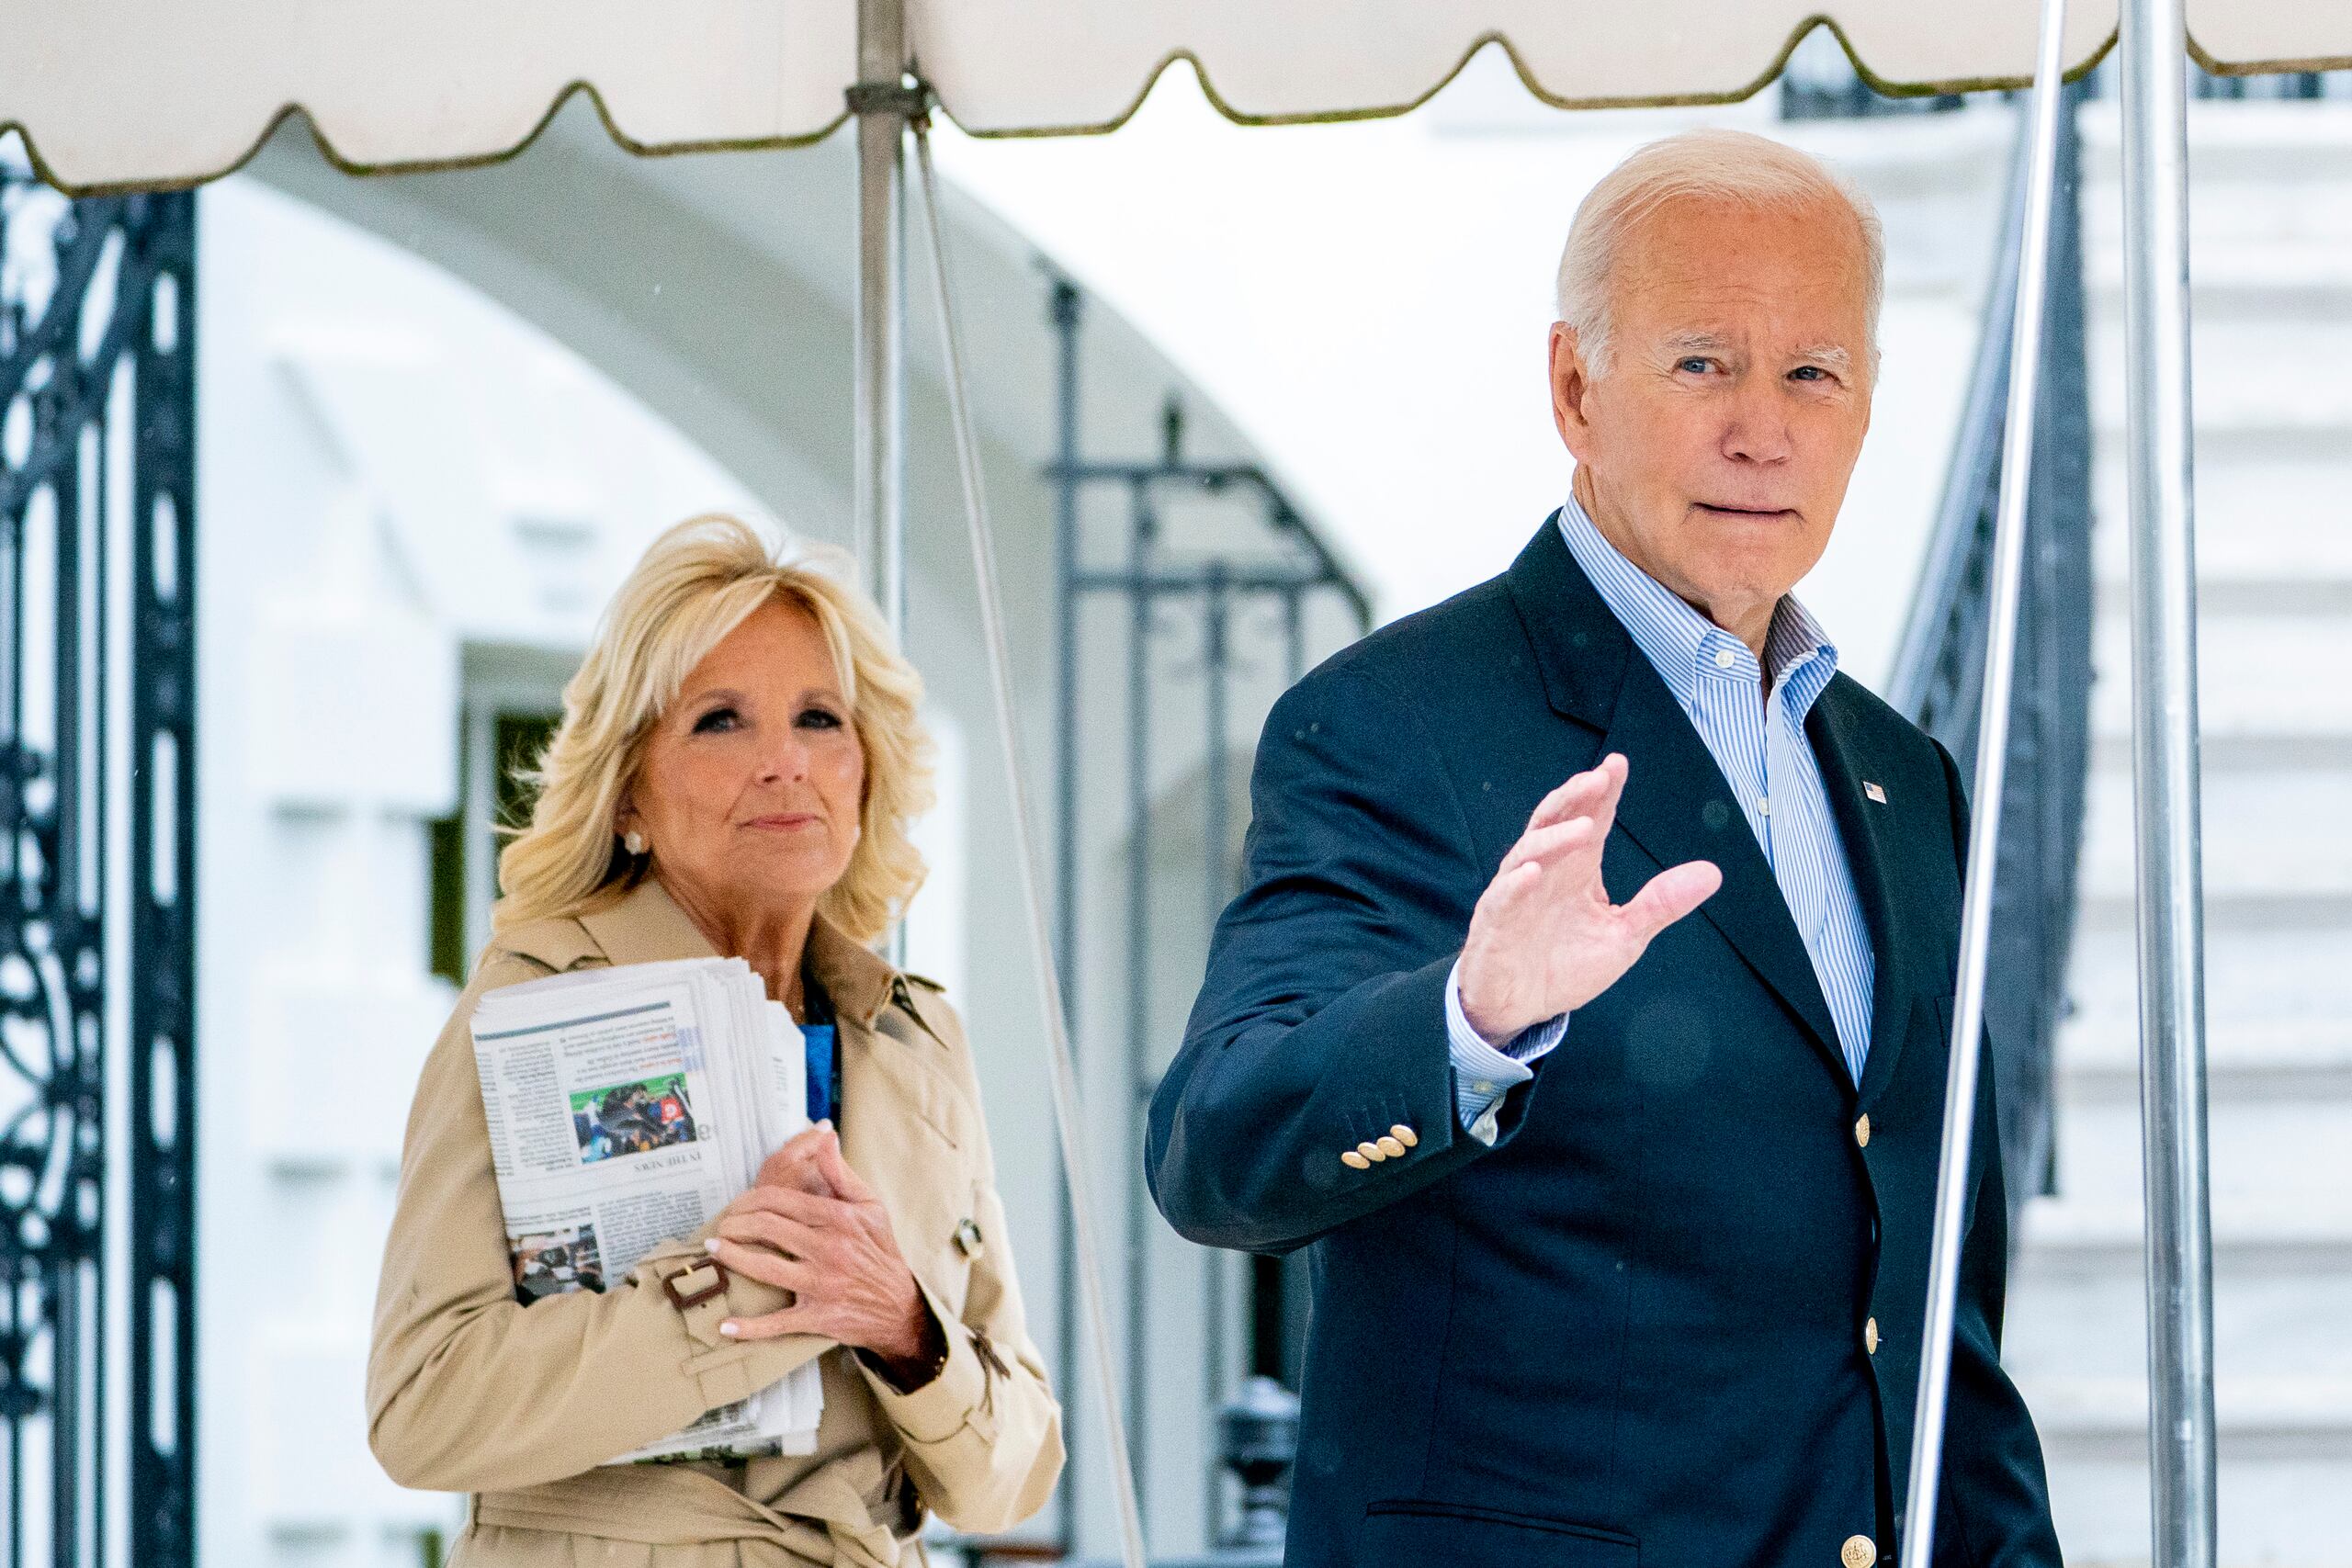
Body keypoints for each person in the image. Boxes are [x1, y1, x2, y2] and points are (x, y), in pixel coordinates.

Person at [1149, 130, 2062, 1568]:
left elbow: (1942, 1309)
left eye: (1813, 373)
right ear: (1575, 387)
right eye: (1703, 363)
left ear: (1867, 406)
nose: (1763, 427)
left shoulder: (1905, 777)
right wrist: (1470, 1017)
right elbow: (1215, 1144)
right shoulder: (1394, 721)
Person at [369, 515, 1061, 1565]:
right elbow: (424, 1408)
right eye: (721, 721)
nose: (784, 763)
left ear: (866, 771)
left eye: (820, 718)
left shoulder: (916, 1041)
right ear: (631, 790)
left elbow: (1012, 1474)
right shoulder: (531, 1009)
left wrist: (907, 1330)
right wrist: (745, 1290)